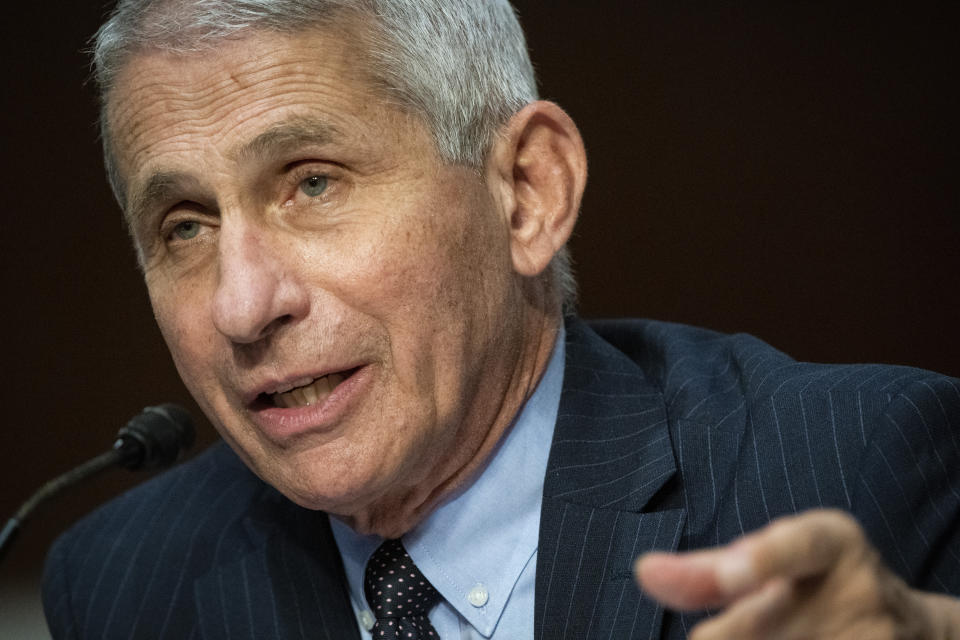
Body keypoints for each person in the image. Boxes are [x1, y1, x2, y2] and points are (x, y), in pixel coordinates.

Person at [42, 0, 960, 638]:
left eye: (313, 182)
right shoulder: (125, 584)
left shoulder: (854, 470)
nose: (244, 306)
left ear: (527, 192)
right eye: (185, 226)